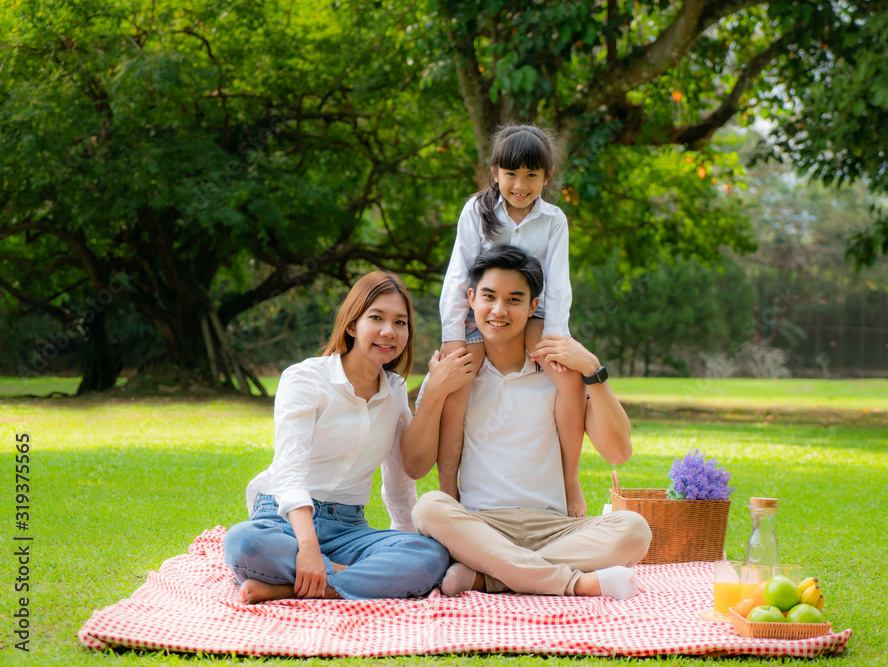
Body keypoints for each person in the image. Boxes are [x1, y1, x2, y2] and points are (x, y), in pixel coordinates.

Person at [403, 246, 651, 600]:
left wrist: (595, 371)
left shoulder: (559, 374)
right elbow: (414, 465)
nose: (499, 310)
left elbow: (618, 451)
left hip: (554, 527)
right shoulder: (455, 374)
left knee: (634, 530)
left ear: (533, 307)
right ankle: (572, 583)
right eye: (489, 297)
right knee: (428, 507)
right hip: (481, 525)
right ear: (471, 299)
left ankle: (489, 577)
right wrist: (435, 393)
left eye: (514, 299)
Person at [223, 271, 449, 603]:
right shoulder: (304, 378)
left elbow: (399, 478)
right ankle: (347, 580)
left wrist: (404, 541)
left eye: (401, 323)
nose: (390, 331)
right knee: (243, 543)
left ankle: (291, 588)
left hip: (348, 528)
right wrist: (307, 548)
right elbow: (290, 470)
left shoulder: (396, 391)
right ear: (352, 325)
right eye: (377, 318)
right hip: (284, 521)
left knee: (431, 555)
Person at [438, 124, 588, 517]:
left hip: (533, 311)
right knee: (458, 384)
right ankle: (446, 488)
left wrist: (556, 338)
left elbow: (558, 284)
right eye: (511, 175)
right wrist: (453, 335)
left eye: (531, 176)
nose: (520, 185)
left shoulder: (554, 220)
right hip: (482, 310)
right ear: (495, 172)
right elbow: (458, 274)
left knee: (568, 379)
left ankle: (569, 480)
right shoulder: (477, 211)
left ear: (547, 177)